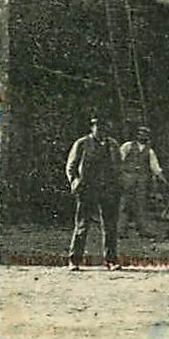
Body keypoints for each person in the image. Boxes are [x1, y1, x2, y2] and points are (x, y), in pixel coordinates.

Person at [65, 114, 121, 270]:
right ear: (92, 127)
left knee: (110, 226)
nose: (102, 130)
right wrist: (74, 181)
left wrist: (117, 186)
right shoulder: (82, 144)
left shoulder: (113, 145)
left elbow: (118, 167)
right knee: (82, 225)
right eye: (98, 127)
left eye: (105, 128)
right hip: (88, 188)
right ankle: (74, 260)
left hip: (108, 190)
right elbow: (71, 166)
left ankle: (111, 260)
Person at [117, 125, 163, 239]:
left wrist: (163, 180)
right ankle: (121, 230)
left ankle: (142, 229)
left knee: (141, 204)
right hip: (127, 179)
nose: (143, 136)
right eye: (141, 133)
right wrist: (121, 176)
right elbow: (118, 161)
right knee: (124, 205)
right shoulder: (127, 146)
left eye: (145, 134)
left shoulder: (150, 151)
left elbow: (155, 167)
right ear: (137, 135)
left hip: (141, 182)